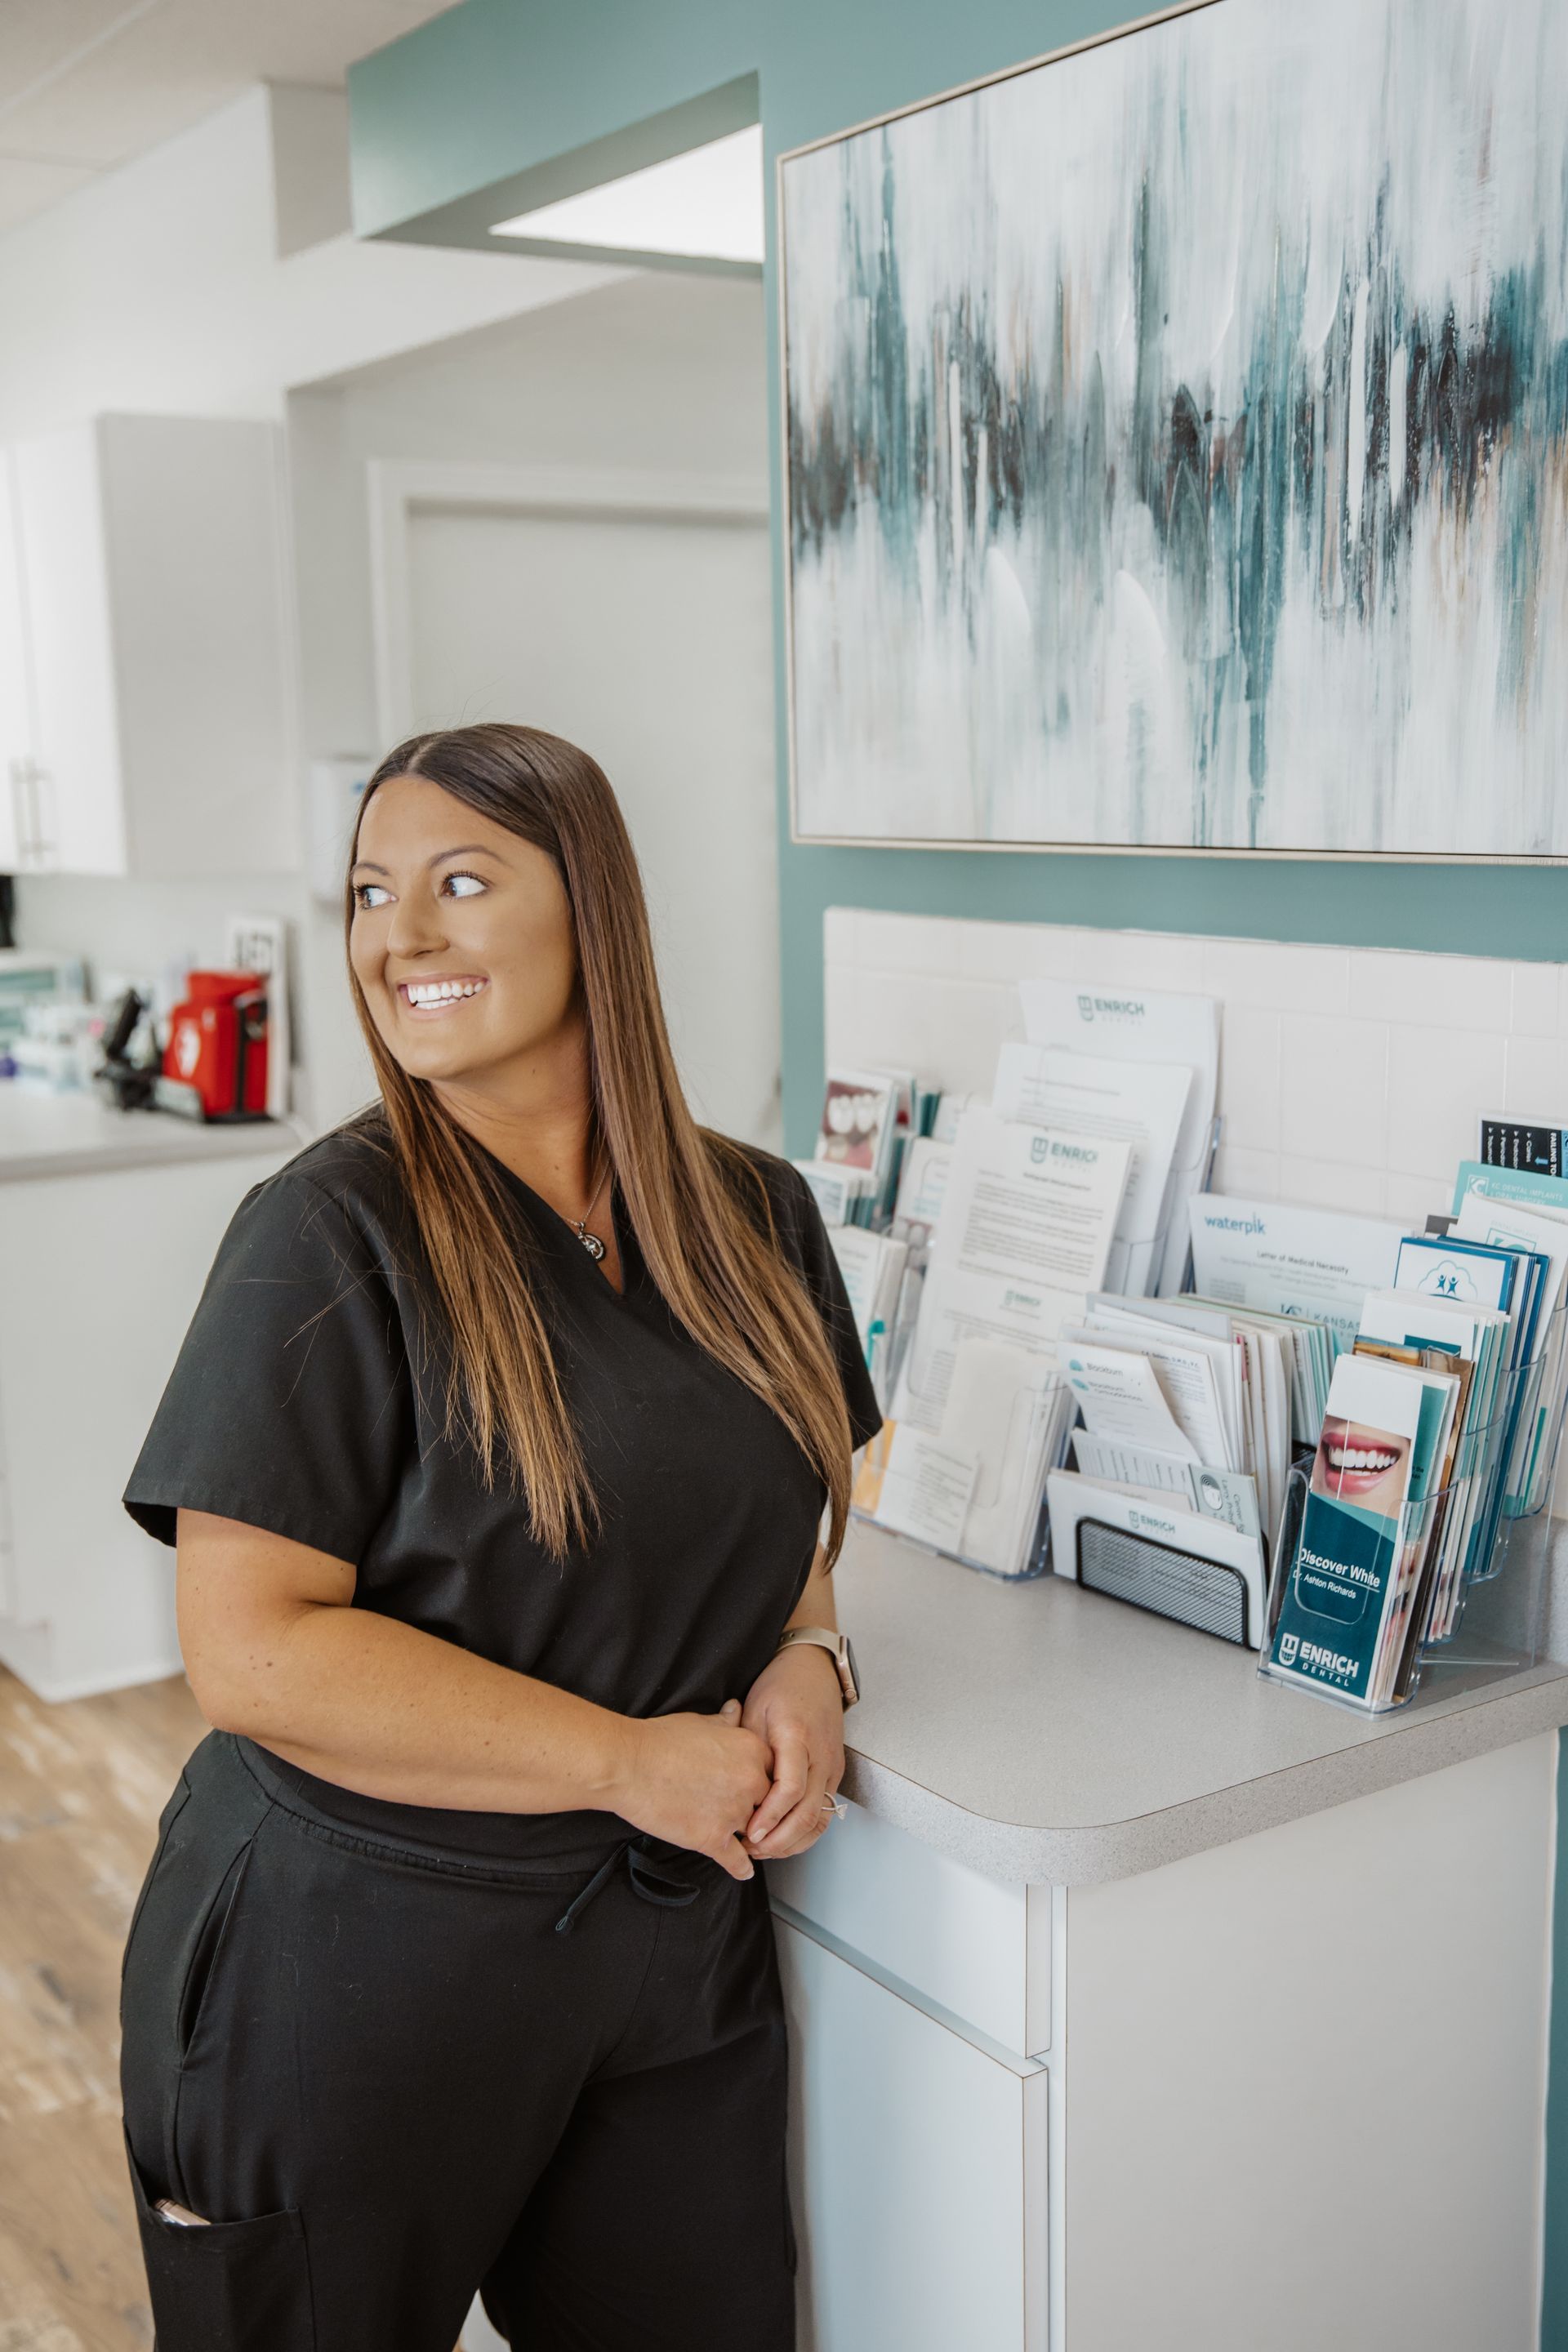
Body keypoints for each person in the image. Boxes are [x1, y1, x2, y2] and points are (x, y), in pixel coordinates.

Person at [118, 723, 882, 2352]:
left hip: (669, 1954)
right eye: (371, 893)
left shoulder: (757, 1220)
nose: (401, 936)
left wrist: (806, 1653)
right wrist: (624, 1759)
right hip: (352, 1967)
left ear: (591, 907)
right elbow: (249, 1650)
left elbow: (783, 1510)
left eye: (462, 881)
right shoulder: (326, 1238)